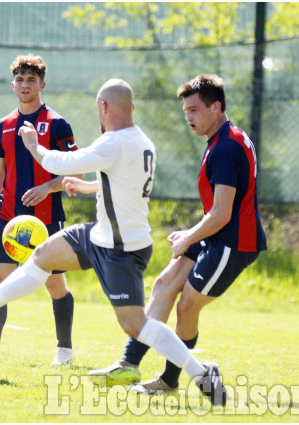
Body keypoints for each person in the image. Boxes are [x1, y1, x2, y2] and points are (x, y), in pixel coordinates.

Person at [0, 78, 227, 406]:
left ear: (104, 108)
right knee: (43, 255)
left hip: (120, 248)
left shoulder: (114, 142)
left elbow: (57, 164)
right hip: (100, 233)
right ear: (131, 108)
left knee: (135, 325)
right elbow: (121, 180)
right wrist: (89, 186)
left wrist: (33, 145)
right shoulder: (141, 140)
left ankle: (201, 372)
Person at [91, 74, 267, 395]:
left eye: (195, 110)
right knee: (164, 284)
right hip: (217, 234)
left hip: (233, 242)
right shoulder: (224, 138)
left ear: (216, 107)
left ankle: (174, 380)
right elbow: (218, 210)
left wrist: (189, 237)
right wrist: (191, 234)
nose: (189, 117)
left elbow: (222, 213)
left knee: (187, 307)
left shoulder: (226, 148)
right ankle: (128, 365)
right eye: (186, 111)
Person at [0, 54, 79, 366]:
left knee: (54, 285)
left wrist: (47, 187)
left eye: (31, 79)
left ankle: (64, 350)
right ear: (12, 84)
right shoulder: (3, 126)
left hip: (46, 222)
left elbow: (75, 173)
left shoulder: (58, 124)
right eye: (20, 79)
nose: (25, 84)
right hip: (7, 218)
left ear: (42, 84)